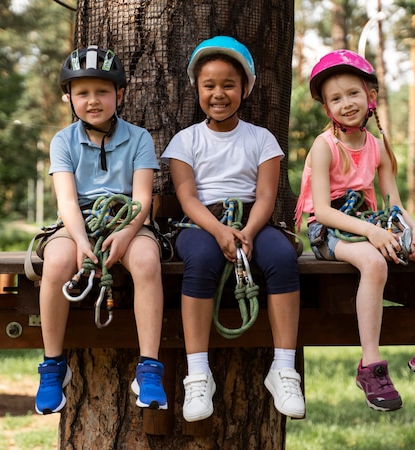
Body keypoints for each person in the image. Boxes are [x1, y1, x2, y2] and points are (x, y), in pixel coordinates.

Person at [295, 49, 415, 412]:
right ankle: (370, 365)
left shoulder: (376, 146)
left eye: (353, 93)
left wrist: (412, 227)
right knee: (374, 264)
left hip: (371, 223)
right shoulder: (325, 146)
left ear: (370, 97)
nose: (346, 103)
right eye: (336, 98)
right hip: (330, 230)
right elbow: (324, 212)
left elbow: (393, 202)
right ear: (327, 108)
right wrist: (372, 234)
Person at [161, 36, 305, 422]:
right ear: (197, 89)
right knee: (202, 259)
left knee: (281, 257)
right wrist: (221, 233)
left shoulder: (262, 139)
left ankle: (284, 368)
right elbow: (188, 197)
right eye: (209, 86)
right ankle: (197, 372)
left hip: (252, 221)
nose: (219, 94)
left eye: (229, 85)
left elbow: (266, 195)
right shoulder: (185, 141)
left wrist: (249, 232)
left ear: (245, 88)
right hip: (200, 222)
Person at [34, 45, 167, 415]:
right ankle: (52, 366)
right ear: (69, 98)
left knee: (145, 260)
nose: (93, 101)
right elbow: (67, 202)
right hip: (79, 222)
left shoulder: (139, 138)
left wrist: (125, 235)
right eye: (82, 93)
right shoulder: (63, 141)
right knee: (57, 261)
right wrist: (79, 239)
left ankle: (150, 367)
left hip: (128, 221)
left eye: (102, 92)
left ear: (119, 95)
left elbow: (140, 199)